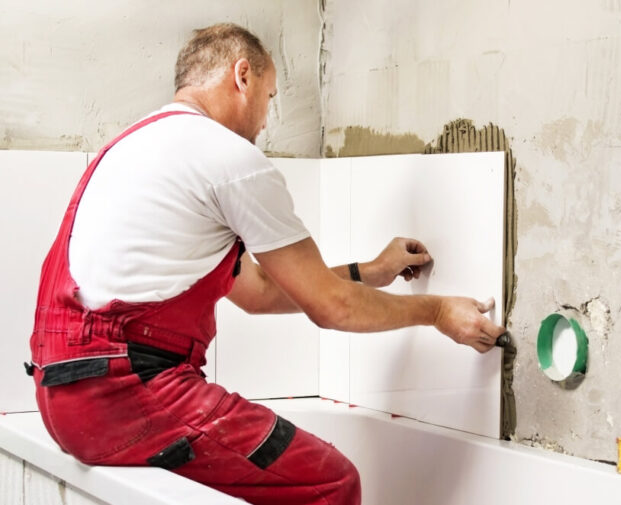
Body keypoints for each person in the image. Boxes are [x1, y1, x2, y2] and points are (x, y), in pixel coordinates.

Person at [27, 23, 506, 505]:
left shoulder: (133, 146)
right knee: (329, 483)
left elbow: (257, 291)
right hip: (127, 395)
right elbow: (332, 308)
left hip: (65, 398)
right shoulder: (229, 157)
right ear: (243, 77)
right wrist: (439, 312)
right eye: (270, 97)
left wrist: (370, 271)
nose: (265, 121)